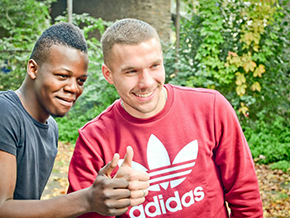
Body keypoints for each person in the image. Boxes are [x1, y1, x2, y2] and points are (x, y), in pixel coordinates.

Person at [67, 18, 264, 218]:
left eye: (154, 66)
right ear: (108, 74)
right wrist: (107, 200)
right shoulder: (93, 140)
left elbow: (245, 197)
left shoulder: (211, 108)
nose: (146, 82)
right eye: (131, 71)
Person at [0, 22, 149, 218]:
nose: (73, 88)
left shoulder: (51, 129)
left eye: (80, 80)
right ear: (33, 69)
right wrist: (88, 199)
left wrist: (109, 194)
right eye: (63, 76)